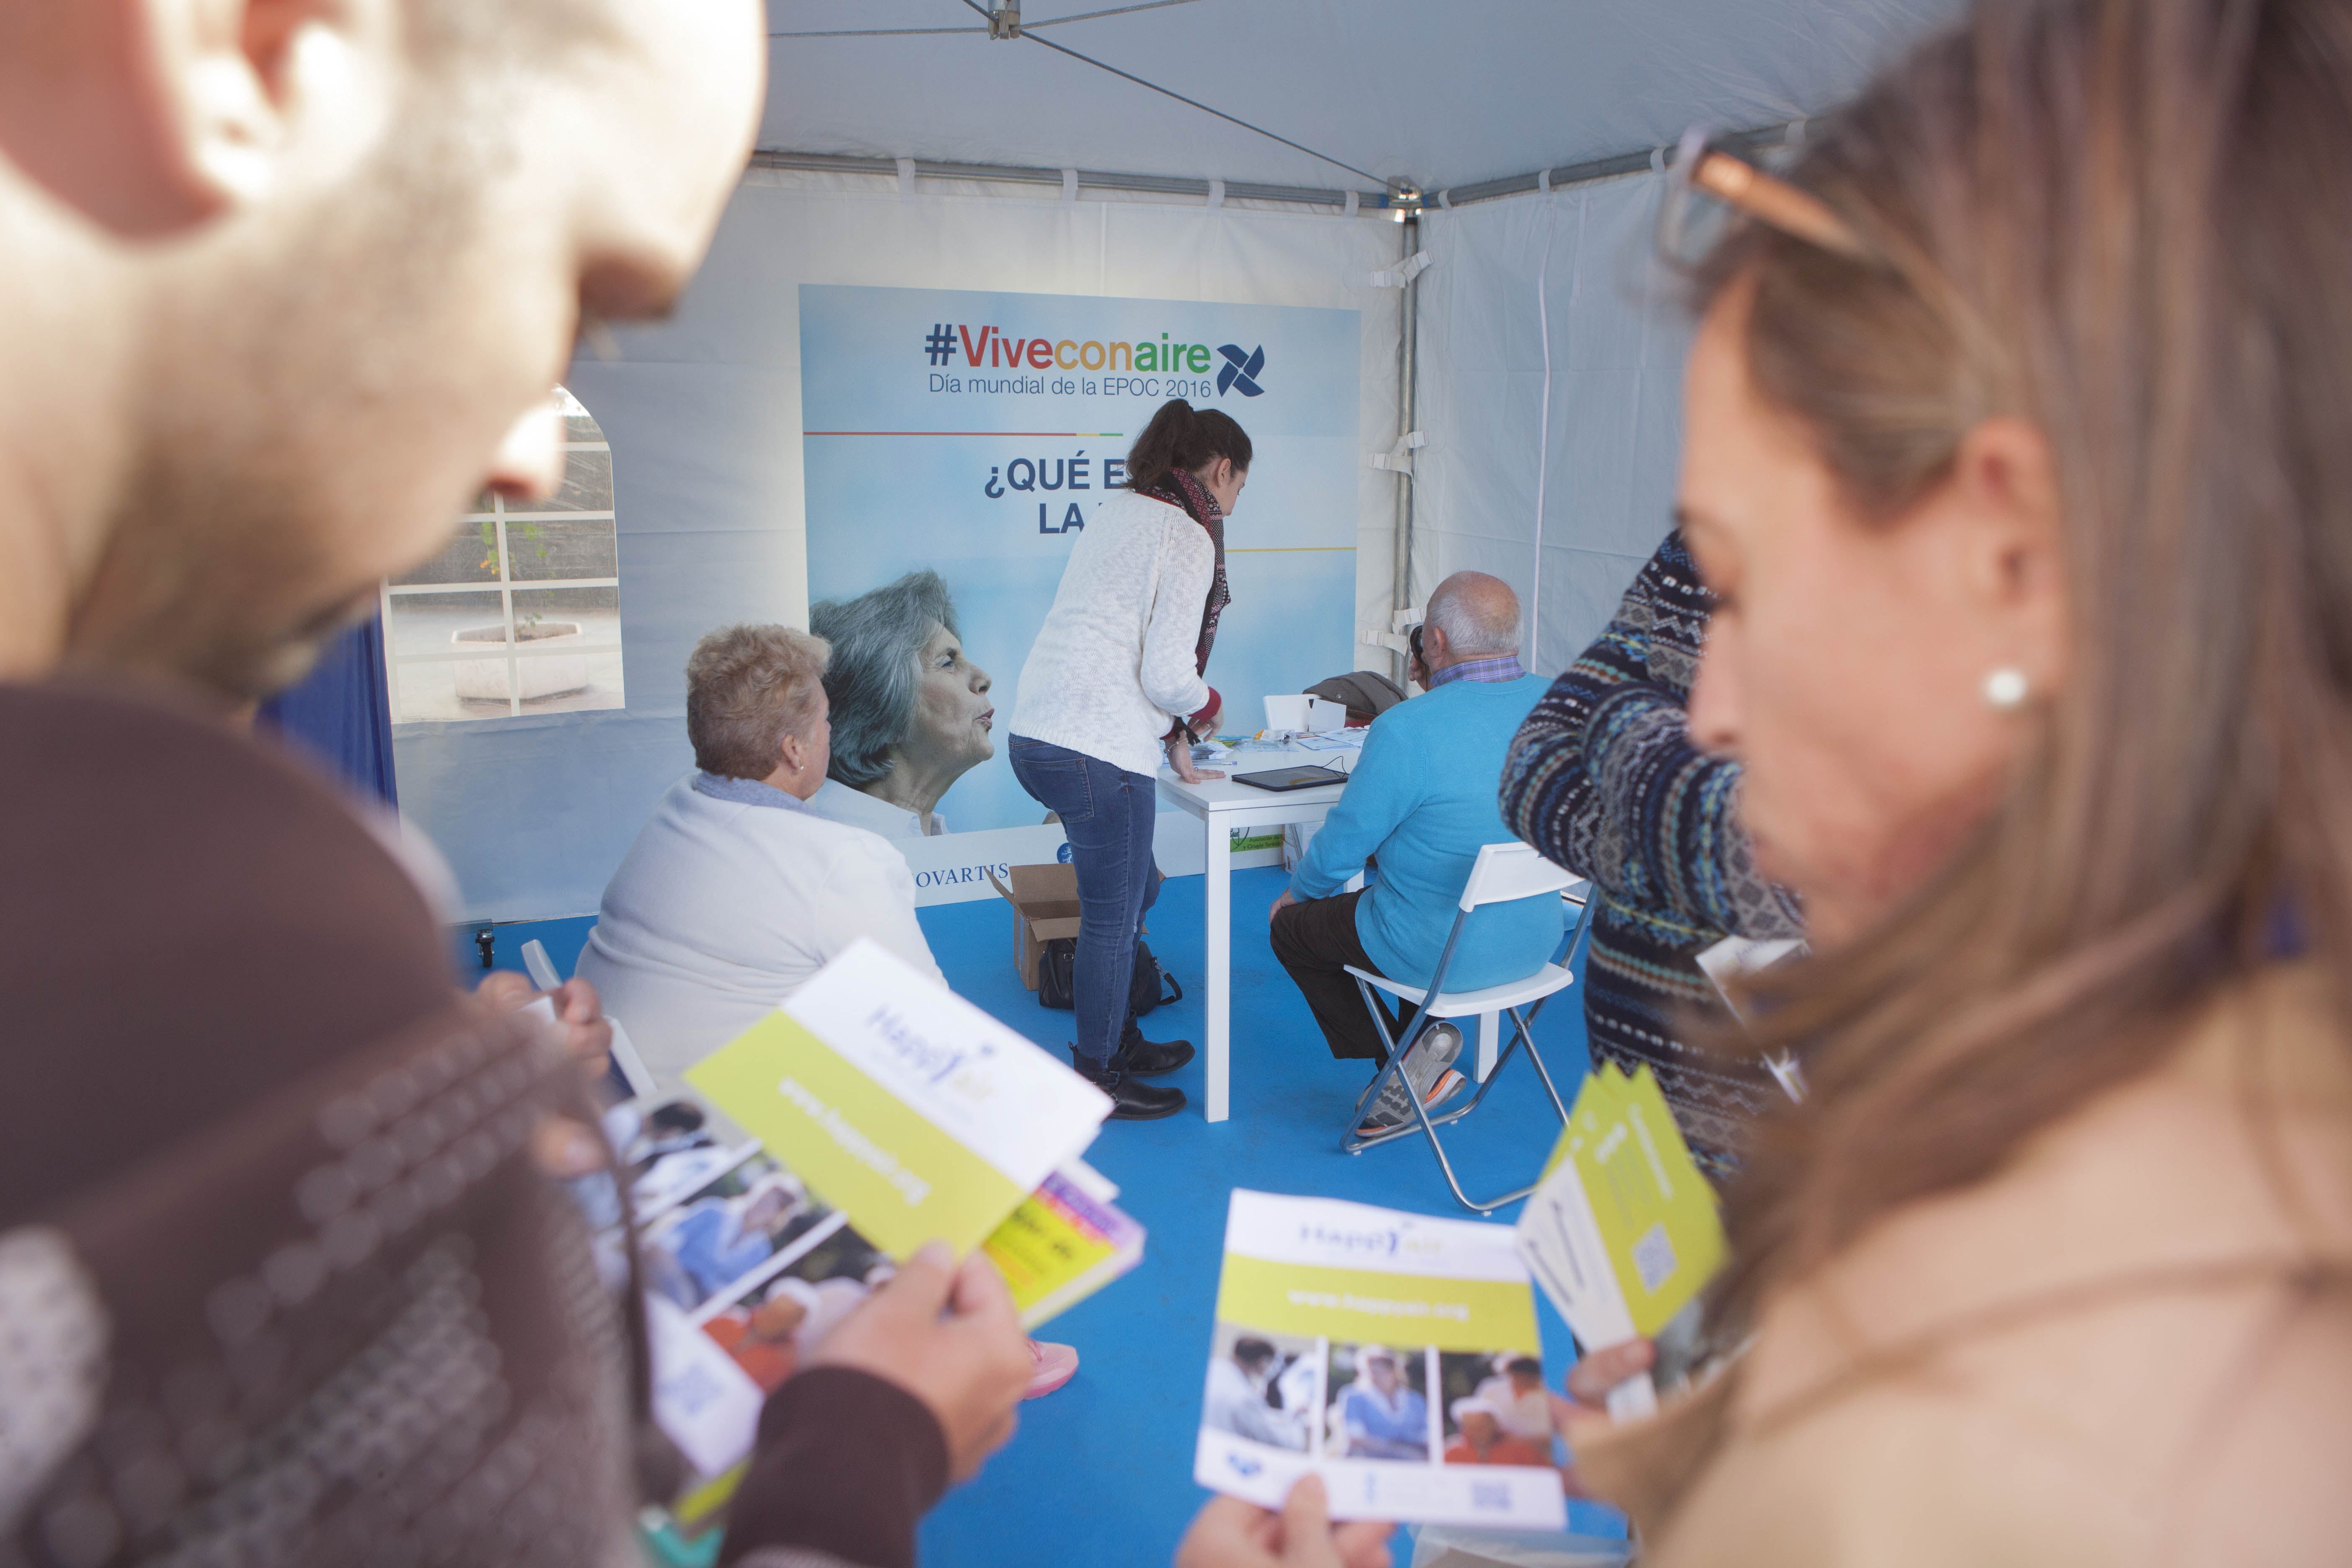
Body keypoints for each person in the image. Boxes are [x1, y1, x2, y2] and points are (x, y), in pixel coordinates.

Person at [0, 5, 1037, 1567]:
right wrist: (855, 1457)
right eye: (565, 283)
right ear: (260, 54)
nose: (528, 457)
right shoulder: (257, 945)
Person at [1551, 2, 2352, 1562]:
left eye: (1741, 583)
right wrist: (1710, 1444)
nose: (1709, 704)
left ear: (2013, 562)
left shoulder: (1976, 1447)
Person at [1498, 532, 1803, 1176]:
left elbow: (1756, 864)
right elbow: (1530, 769)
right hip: (1642, 1127)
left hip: (1825, 1163)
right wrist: (1690, 838)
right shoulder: (1701, 546)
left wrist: (1622, 710)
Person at [1005, 397, 1245, 1118]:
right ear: (1223, 470)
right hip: (1095, 748)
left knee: (1137, 890)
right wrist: (1205, 704)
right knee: (1113, 917)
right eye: (1240, 486)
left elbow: (1116, 639)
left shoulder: (1118, 511)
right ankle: (1099, 1075)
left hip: (1037, 734)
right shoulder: (1189, 535)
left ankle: (1118, 1035)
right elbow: (1167, 673)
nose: (1237, 504)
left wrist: (1174, 737)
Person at [577, 624, 946, 1088]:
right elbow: (933, 1024)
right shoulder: (841, 861)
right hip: (716, 1112)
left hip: (614, 1082)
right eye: (825, 720)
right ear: (794, 750)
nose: (831, 731)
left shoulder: (676, 806)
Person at [1270, 572, 1563, 1133]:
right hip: (1538, 942)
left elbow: (1346, 845)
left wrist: (1297, 894)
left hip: (1440, 952)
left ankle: (1403, 1070)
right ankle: (1419, 1055)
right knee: (1411, 903)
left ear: (1434, 641)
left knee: (1293, 929)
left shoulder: (1406, 729)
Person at [807, 570, 995, 839]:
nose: (984, 679)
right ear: (880, 707)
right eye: (948, 663)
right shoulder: (823, 844)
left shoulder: (938, 842)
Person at [1203, 1337, 1310, 1450]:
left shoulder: (1210, 1368)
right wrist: (1298, 1422)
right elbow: (1276, 1441)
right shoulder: (1244, 1398)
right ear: (1263, 1362)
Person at [1335, 1347, 1428, 1460]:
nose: (1379, 1375)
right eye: (1373, 1370)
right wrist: (1398, 1452)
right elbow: (1355, 1438)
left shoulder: (1416, 1401)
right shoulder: (1353, 1397)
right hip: (1367, 1462)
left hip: (1413, 1463)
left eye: (1386, 1368)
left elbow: (1426, 1438)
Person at [1471, 1354, 1555, 1446]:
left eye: (1528, 1368)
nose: (1523, 1374)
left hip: (1537, 1450)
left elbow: (1554, 1436)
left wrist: (1520, 1441)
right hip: (1493, 1448)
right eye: (1517, 1367)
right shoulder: (1490, 1389)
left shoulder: (1551, 1396)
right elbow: (1474, 1421)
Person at [1441, 1399, 1546, 1467]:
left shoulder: (1521, 1450)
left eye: (1481, 1427)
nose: (1476, 1433)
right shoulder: (1451, 1452)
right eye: (1470, 1428)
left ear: (1495, 1425)